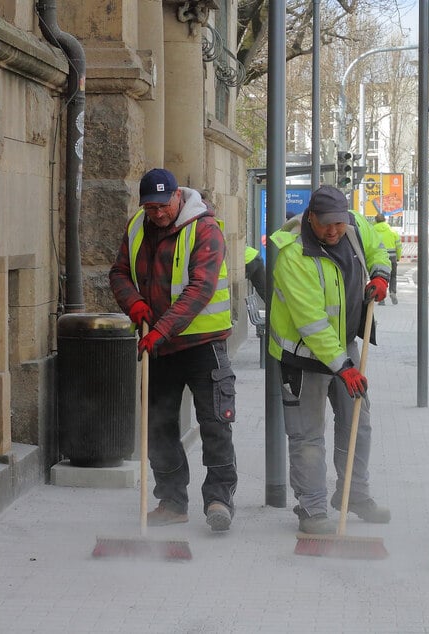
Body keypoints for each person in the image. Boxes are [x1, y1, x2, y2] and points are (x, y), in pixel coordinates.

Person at [109, 168, 238, 532]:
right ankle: (171, 502)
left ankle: (219, 500)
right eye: (151, 208)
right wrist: (133, 304)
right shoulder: (138, 226)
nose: (158, 214)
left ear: (178, 198)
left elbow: (200, 289)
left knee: (215, 424)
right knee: (158, 426)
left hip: (203, 345)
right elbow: (118, 272)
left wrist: (160, 330)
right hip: (160, 345)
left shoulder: (205, 229)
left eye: (163, 206)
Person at [268, 185, 393, 534]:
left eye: (339, 223)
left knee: (358, 423)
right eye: (326, 224)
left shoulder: (354, 226)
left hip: (346, 348)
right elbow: (312, 324)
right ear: (311, 218)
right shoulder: (294, 256)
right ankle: (313, 509)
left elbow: (378, 249)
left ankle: (354, 495)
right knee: (308, 435)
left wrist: (381, 275)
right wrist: (344, 368)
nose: (334, 231)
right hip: (303, 357)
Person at [371, 213, 401, 305]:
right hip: (392, 257)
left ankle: (381, 298)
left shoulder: (373, 231)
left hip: (378, 258)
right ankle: (392, 292)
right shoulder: (392, 231)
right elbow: (398, 246)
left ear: (375, 220)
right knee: (393, 276)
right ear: (385, 220)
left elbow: (369, 246)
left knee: (380, 277)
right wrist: (398, 257)